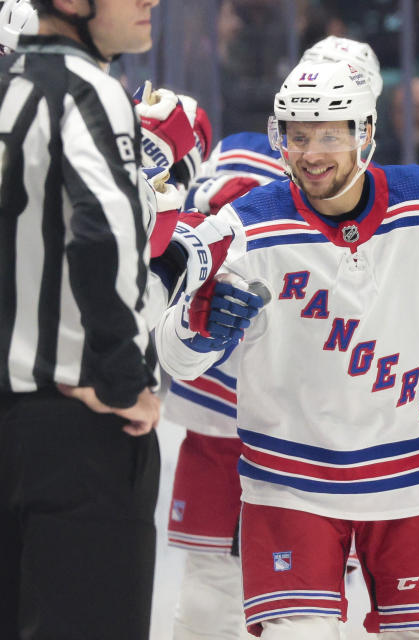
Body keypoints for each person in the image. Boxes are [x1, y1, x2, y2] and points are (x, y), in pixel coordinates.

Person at [155, 59, 419, 639]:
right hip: (291, 484)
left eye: (329, 133)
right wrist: (197, 329)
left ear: (365, 134)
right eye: (297, 134)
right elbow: (177, 355)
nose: (312, 153)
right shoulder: (245, 227)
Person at [0, 0, 164, 638]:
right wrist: (124, 379)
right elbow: (102, 235)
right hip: (78, 431)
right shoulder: (87, 87)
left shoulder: (10, 87)